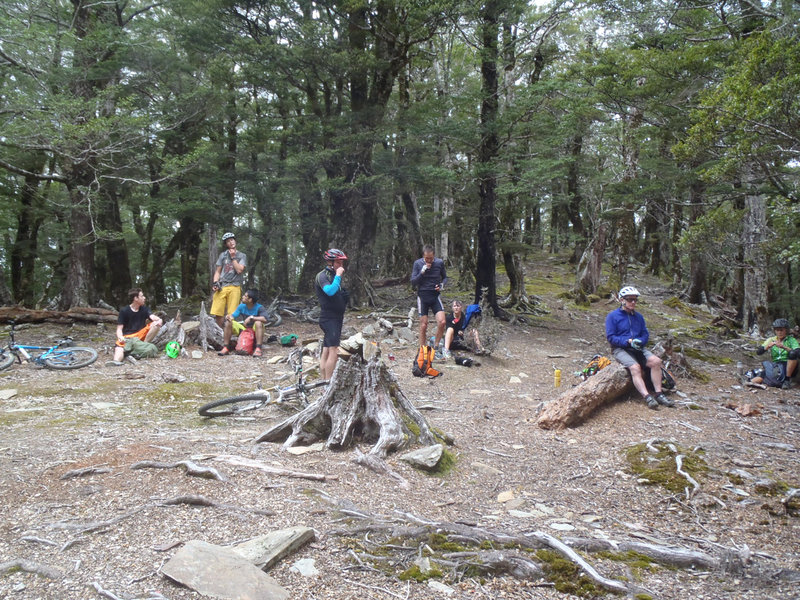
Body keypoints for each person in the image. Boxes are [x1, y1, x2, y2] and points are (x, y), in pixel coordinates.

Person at [605, 286, 673, 409]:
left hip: (637, 348)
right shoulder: (612, 316)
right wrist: (627, 341)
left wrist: (640, 341)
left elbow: (645, 334)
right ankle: (647, 396)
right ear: (622, 300)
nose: (633, 302)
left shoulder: (639, 317)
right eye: (630, 299)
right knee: (635, 368)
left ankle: (659, 394)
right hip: (620, 349)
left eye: (635, 300)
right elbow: (611, 337)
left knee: (656, 361)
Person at [315, 249, 349, 379]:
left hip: (336, 317)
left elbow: (335, 294)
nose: (341, 266)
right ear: (330, 262)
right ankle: (329, 382)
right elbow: (329, 291)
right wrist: (339, 276)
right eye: (338, 262)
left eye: (342, 263)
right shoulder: (322, 276)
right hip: (329, 318)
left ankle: (324, 381)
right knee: (334, 351)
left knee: (327, 350)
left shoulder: (333, 276)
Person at [108, 288, 163, 366]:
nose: (144, 298)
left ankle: (143, 346)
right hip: (128, 337)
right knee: (119, 348)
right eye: (142, 296)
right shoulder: (124, 311)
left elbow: (153, 317)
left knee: (156, 325)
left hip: (141, 336)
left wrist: (159, 320)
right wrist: (120, 337)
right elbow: (119, 329)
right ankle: (116, 362)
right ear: (135, 298)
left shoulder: (145, 309)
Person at [411, 244, 447, 349]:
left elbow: (445, 278)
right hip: (422, 297)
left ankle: (435, 346)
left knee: (442, 322)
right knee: (423, 325)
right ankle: (422, 349)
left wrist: (441, 285)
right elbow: (413, 282)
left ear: (434, 256)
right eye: (426, 258)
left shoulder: (439, 263)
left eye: (431, 258)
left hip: (435, 296)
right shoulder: (417, 264)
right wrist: (422, 272)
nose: (429, 261)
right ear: (423, 256)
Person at [750, 318, 799, 389]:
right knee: (763, 374)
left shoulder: (791, 340)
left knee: (792, 353)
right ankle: (749, 382)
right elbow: (759, 352)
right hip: (776, 365)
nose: (779, 332)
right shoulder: (771, 339)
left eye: (781, 330)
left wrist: (784, 347)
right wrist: (767, 347)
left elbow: (798, 353)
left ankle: (787, 381)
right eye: (777, 330)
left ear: (786, 330)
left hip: (788, 364)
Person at [211, 232, 247, 328]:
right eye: (228, 241)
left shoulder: (242, 255)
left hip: (235, 286)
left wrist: (233, 257)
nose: (231, 242)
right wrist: (215, 282)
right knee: (218, 312)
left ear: (235, 240)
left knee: (231, 314)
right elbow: (218, 271)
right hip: (222, 286)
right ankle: (219, 333)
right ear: (226, 244)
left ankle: (229, 334)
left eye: (232, 240)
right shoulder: (222, 255)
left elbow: (239, 270)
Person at [218, 289, 268, 357]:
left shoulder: (259, 307)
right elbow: (234, 315)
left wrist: (251, 318)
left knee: (258, 323)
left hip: (255, 330)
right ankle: (226, 347)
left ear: (250, 300)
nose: (242, 297)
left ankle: (258, 348)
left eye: (245, 296)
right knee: (228, 323)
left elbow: (265, 319)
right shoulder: (241, 306)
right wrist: (229, 317)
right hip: (245, 329)